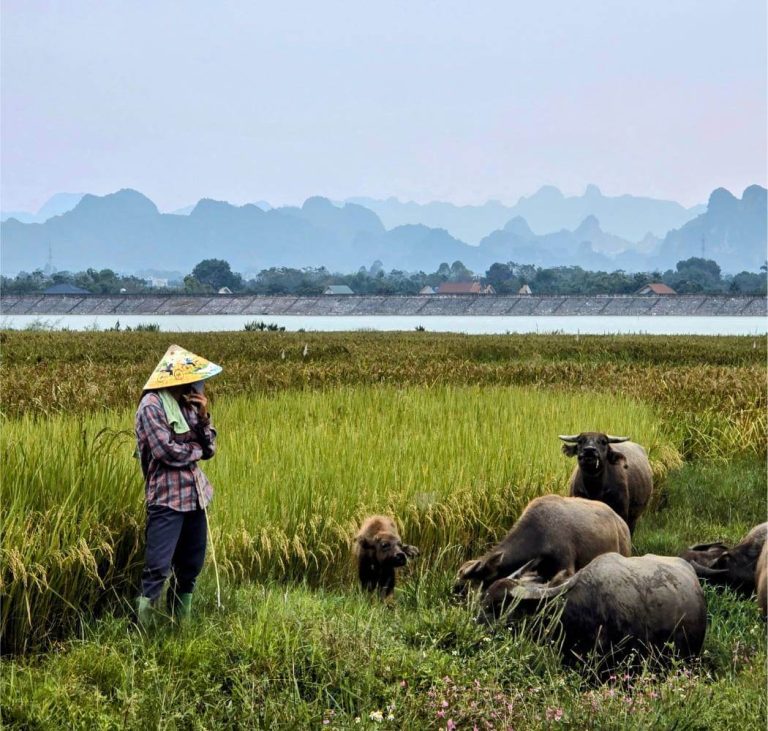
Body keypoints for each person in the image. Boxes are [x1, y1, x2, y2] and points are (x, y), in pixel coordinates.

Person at [134, 344, 222, 627]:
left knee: (191, 566)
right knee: (158, 567)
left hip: (196, 496)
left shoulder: (190, 406)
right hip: (167, 499)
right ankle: (144, 630)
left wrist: (204, 416)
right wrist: (195, 448)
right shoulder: (151, 406)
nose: (197, 384)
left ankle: (179, 625)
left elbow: (210, 449)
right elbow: (166, 452)